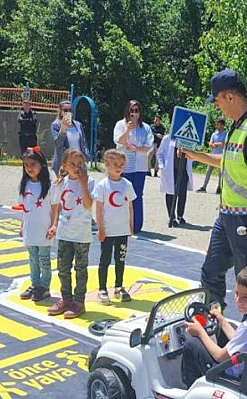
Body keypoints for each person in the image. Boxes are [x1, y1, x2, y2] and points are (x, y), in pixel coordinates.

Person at [183, 69, 247, 308]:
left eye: (217, 100)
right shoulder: (238, 126)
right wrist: (194, 155)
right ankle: (213, 320)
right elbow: (226, 162)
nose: (216, 106)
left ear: (230, 97)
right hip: (227, 215)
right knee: (211, 271)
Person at [180, 264, 247, 387]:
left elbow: (220, 357)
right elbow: (243, 342)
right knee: (221, 332)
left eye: (246, 297)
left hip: (232, 376)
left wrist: (200, 332)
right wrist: (222, 321)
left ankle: (189, 388)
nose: (237, 300)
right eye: (237, 293)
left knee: (192, 344)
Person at [47, 149, 95, 319]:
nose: (77, 167)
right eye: (72, 164)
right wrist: (53, 225)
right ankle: (66, 299)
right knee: (62, 268)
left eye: (80, 164)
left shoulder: (90, 182)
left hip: (81, 235)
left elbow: (89, 205)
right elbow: (57, 207)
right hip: (64, 234)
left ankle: (79, 302)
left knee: (80, 269)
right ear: (64, 166)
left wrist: (83, 184)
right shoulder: (60, 184)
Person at [93, 149, 136, 304]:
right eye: (115, 164)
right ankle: (102, 289)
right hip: (108, 230)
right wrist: (101, 228)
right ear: (106, 164)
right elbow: (98, 209)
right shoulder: (102, 185)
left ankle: (118, 286)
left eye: (121, 165)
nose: (119, 167)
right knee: (105, 260)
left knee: (120, 259)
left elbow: (130, 206)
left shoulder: (127, 185)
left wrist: (131, 225)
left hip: (122, 230)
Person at [17, 147, 58, 302]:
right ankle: (35, 284)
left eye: (33, 164)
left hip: (44, 231)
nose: (29, 168)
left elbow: (55, 208)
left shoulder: (50, 185)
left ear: (41, 164)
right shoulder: (24, 185)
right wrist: (22, 226)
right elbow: (24, 209)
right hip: (30, 230)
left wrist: (54, 226)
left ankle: (44, 287)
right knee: (33, 258)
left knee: (44, 259)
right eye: (26, 165)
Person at [113, 100, 154, 234]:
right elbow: (118, 140)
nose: (134, 113)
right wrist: (127, 131)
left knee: (137, 195)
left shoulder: (145, 128)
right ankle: (123, 224)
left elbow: (149, 146)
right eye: (132, 110)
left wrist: (134, 148)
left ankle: (136, 225)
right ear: (127, 111)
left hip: (139, 167)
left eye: (136, 111)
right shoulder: (120, 124)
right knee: (123, 195)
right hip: (124, 166)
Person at [157, 131, 193, 227]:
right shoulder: (167, 138)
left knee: (182, 194)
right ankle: (171, 216)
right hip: (171, 170)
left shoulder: (188, 139)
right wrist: (162, 166)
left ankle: (180, 215)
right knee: (170, 193)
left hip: (184, 170)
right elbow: (160, 153)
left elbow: (193, 154)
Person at [51, 101, 88, 176]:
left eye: (70, 110)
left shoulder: (78, 124)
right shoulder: (56, 124)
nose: (68, 112)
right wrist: (63, 129)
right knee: (64, 186)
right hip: (64, 162)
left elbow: (83, 142)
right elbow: (58, 144)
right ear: (60, 111)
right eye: (65, 110)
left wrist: (86, 156)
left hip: (79, 162)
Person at [196, 119, 226, 194]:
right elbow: (210, 144)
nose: (217, 126)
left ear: (222, 125)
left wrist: (218, 144)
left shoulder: (226, 134)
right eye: (217, 124)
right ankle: (204, 187)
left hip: (221, 156)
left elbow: (225, 143)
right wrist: (213, 145)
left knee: (220, 173)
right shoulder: (214, 134)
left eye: (218, 124)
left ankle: (219, 188)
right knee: (208, 171)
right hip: (213, 155)